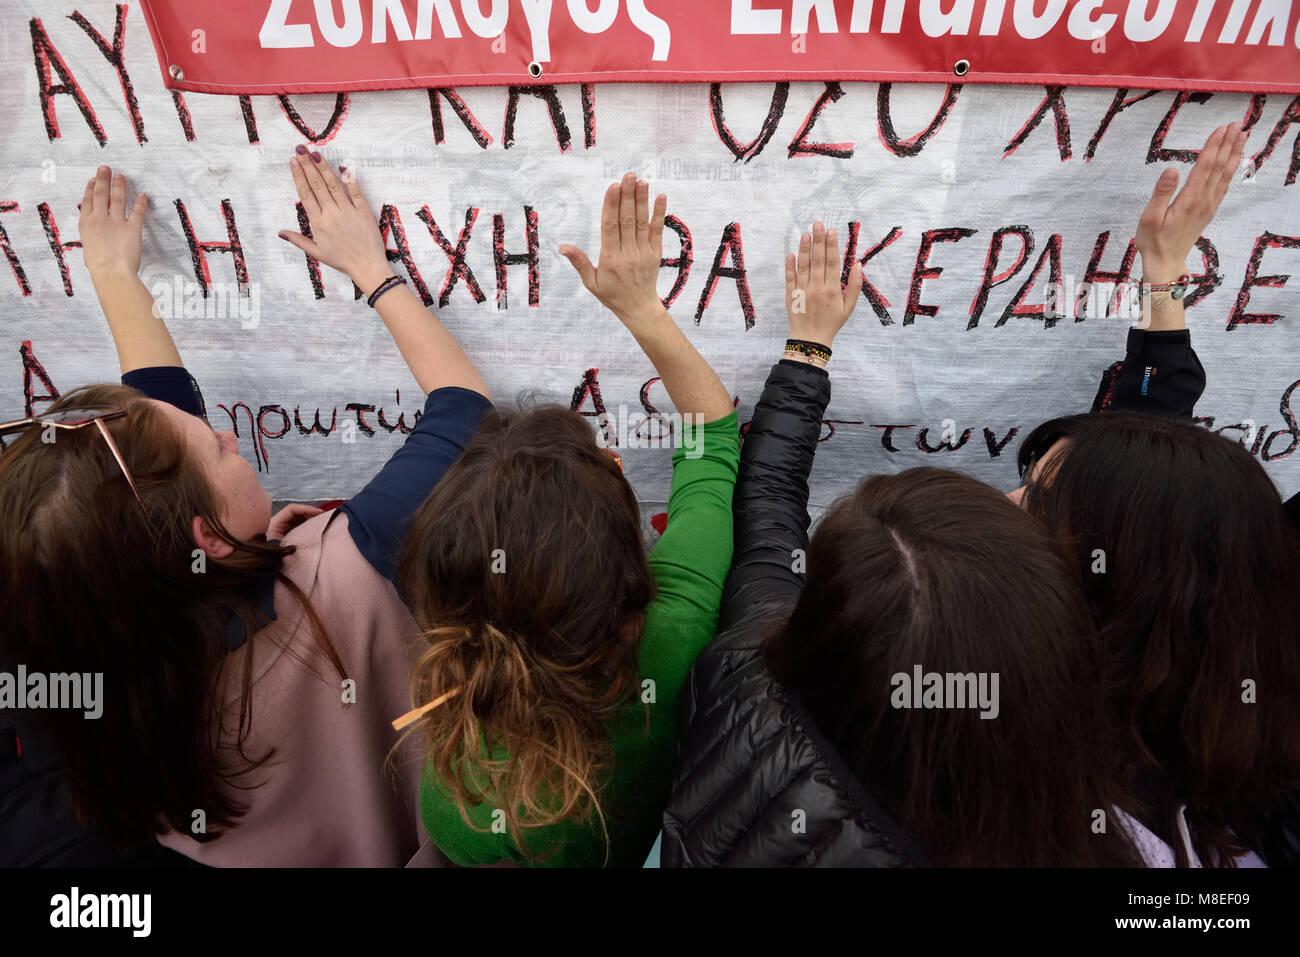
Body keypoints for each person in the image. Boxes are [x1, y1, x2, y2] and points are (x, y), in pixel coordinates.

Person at [0, 152, 491, 866]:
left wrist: (114, 277)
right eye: (218, 446)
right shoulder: (345, 570)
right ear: (209, 539)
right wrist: (372, 272)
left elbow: (154, 460)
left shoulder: (93, 673)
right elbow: (464, 413)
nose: (230, 432)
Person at [661, 223, 1142, 867]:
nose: (1006, 501)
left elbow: (770, 509)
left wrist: (808, 349)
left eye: (1033, 498)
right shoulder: (1054, 825)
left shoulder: (741, 671)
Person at [400, 173, 739, 867]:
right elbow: (712, 438)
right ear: (620, 480)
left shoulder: (451, 776)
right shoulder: (673, 639)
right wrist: (642, 308)